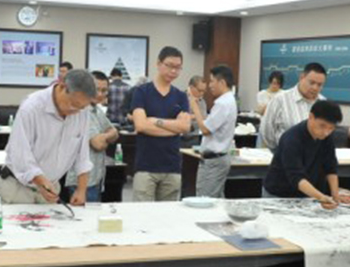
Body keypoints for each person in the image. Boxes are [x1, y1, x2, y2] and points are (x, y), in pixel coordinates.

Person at [0, 69, 96, 205]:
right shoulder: (31, 108)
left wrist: (81, 190)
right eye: (73, 105)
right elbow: (20, 154)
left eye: (81, 107)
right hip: (18, 188)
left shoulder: (82, 111)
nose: (76, 111)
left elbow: (83, 155)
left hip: (51, 188)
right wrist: (40, 181)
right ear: (62, 86)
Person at [263, 100, 350, 208]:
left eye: (331, 128)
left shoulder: (326, 137)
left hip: (307, 194)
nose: (326, 132)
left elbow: (330, 167)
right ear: (311, 117)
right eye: (322, 126)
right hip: (280, 195)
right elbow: (296, 177)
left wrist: (335, 195)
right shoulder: (291, 139)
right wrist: (321, 197)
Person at [131, 47, 191, 202]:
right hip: (145, 166)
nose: (173, 71)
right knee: (142, 213)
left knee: (167, 214)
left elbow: (185, 127)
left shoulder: (181, 96)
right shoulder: (141, 92)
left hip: (172, 166)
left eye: (178, 67)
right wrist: (174, 127)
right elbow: (141, 126)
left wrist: (156, 121)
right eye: (169, 65)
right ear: (158, 63)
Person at [65, 71, 119, 202]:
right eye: (96, 89)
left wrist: (104, 136)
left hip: (96, 178)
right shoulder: (81, 110)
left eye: (104, 90)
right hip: (81, 181)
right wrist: (107, 136)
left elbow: (115, 133)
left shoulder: (97, 110)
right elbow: (98, 144)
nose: (100, 94)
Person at [189, 65, 238, 198]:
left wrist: (194, 106)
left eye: (212, 81)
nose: (210, 86)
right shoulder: (229, 100)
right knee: (216, 198)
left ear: (222, 82)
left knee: (205, 199)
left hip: (214, 160)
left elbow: (205, 130)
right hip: (219, 158)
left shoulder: (223, 103)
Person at [259, 62, 327, 150]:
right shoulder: (280, 100)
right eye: (312, 82)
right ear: (301, 77)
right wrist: (280, 151)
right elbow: (267, 132)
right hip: (284, 155)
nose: (315, 88)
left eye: (319, 85)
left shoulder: (323, 103)